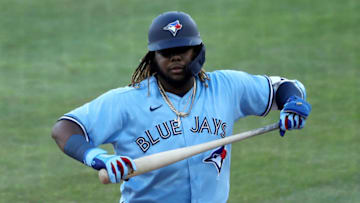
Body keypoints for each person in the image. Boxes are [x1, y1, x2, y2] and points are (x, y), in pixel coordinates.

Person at [51, 11, 311, 203]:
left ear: (198, 52)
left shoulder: (226, 87)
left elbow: (283, 87)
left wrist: (292, 105)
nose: (175, 57)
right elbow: (65, 128)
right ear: (153, 57)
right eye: (166, 52)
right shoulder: (127, 102)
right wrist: (98, 157)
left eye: (183, 50)